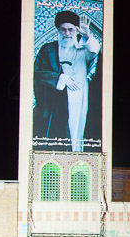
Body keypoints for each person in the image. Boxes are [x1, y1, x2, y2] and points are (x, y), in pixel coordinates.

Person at [33, 10, 100, 152]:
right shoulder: (48, 49)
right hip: (55, 101)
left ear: (76, 30)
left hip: (79, 99)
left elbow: (95, 51)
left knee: (77, 130)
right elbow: (37, 72)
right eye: (63, 30)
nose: (67, 33)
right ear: (58, 30)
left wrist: (87, 34)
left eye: (71, 30)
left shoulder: (83, 49)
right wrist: (61, 78)